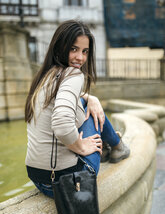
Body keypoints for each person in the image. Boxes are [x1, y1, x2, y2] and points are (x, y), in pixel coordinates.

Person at [25, 20, 130, 198]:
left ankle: (110, 147)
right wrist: (80, 147)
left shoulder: (44, 77)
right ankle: (117, 146)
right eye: (73, 49)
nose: (80, 58)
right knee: (92, 112)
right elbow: (62, 123)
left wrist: (90, 97)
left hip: (38, 178)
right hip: (70, 180)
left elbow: (66, 100)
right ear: (60, 47)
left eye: (85, 51)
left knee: (86, 104)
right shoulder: (73, 74)